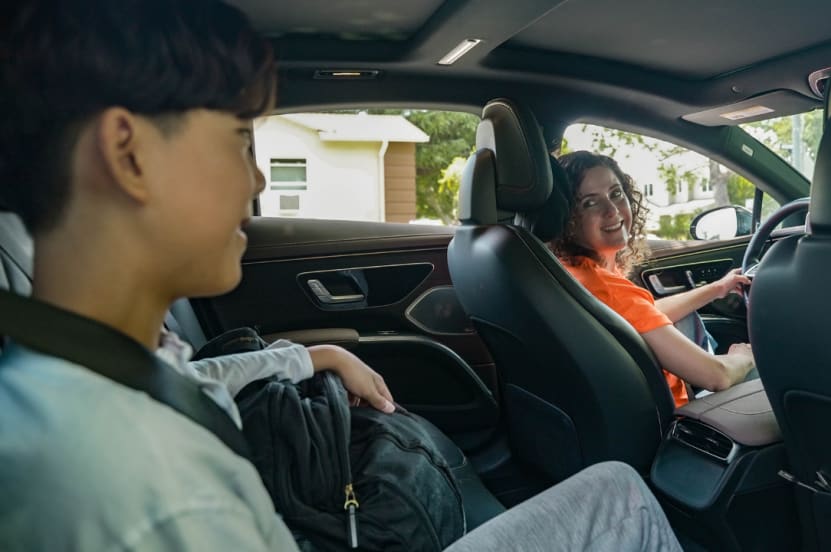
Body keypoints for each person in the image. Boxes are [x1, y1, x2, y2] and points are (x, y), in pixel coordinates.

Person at [0, 1, 681, 550]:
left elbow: (188, 380)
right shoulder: (156, 491)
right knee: (622, 497)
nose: (258, 177)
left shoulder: (84, 369)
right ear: (128, 154)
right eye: (239, 139)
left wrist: (312, 354)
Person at [552, 151, 756, 407]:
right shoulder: (610, 290)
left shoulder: (570, 272)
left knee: (686, 318)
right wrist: (744, 356)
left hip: (637, 410)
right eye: (590, 203)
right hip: (680, 419)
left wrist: (716, 289)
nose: (612, 210)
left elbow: (641, 315)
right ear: (568, 217)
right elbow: (718, 376)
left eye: (616, 193)